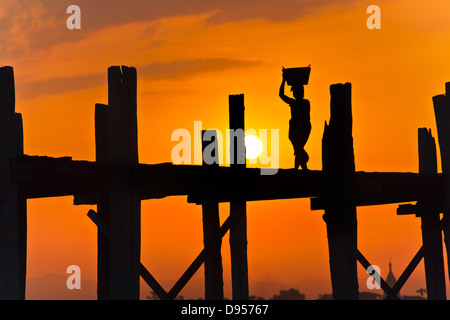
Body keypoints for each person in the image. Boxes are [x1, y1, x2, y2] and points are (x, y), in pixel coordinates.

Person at [279, 73, 311, 170]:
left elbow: (281, 95)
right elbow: (281, 95)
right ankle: (301, 168)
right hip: (296, 128)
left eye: (298, 91)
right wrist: (283, 80)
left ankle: (300, 166)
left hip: (301, 128)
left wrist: (284, 80)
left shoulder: (304, 102)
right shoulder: (296, 102)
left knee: (298, 148)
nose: (295, 94)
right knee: (298, 148)